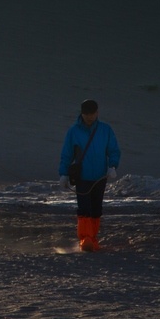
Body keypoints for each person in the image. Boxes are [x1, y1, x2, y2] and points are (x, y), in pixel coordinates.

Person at [58, 99, 121, 252]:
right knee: (84, 208)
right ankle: (85, 239)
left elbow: (114, 150)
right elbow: (67, 154)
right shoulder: (74, 131)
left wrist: (112, 166)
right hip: (82, 176)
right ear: (82, 113)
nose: (89, 117)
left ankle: (93, 238)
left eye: (92, 113)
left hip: (100, 176)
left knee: (96, 209)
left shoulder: (105, 129)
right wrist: (63, 174)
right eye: (86, 114)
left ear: (97, 112)